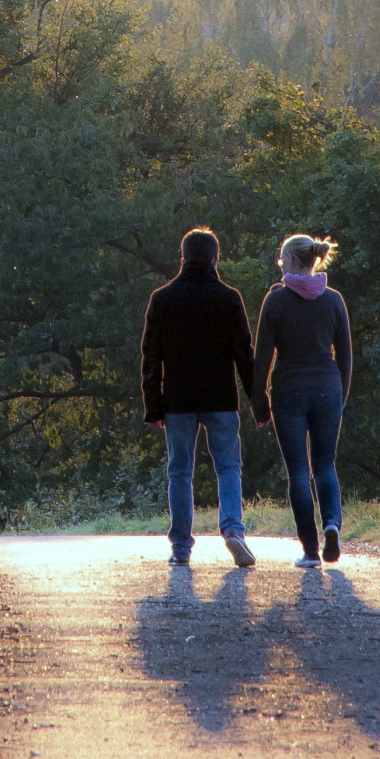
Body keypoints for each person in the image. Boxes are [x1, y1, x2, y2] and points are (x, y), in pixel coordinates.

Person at [140, 226, 268, 568]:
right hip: (221, 399)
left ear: (182, 259)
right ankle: (233, 530)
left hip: (178, 400)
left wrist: (153, 407)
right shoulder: (229, 298)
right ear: (216, 259)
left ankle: (181, 546)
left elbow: (151, 358)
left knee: (179, 471)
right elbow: (245, 354)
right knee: (228, 466)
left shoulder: (162, 299)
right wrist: (259, 403)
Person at [252, 233, 352, 569]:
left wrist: (258, 402)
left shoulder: (276, 302)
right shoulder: (335, 300)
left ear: (291, 261)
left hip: (288, 392)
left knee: (298, 471)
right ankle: (332, 525)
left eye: (281, 260)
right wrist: (342, 395)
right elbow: (346, 357)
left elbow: (262, 358)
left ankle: (310, 551)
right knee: (325, 464)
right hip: (328, 389)